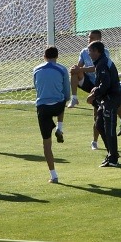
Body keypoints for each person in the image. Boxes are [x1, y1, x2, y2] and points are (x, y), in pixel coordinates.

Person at [33, 46, 70, 184]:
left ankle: (53, 175)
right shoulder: (62, 69)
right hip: (57, 105)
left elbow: (36, 88)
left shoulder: (36, 69)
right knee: (62, 99)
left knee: (46, 144)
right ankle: (60, 127)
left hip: (42, 107)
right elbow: (66, 93)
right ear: (57, 56)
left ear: (44, 56)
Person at [68, 30, 110, 150]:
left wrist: (82, 69)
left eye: (92, 38)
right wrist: (76, 68)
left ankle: (96, 141)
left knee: (98, 115)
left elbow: (96, 68)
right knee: (74, 71)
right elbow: (80, 67)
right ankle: (74, 98)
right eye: (89, 37)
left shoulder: (104, 53)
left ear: (99, 40)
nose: (89, 40)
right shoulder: (84, 51)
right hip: (89, 84)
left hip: (101, 86)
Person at [86, 41, 121, 167]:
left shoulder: (102, 64)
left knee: (109, 129)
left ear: (97, 51)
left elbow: (105, 84)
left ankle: (113, 159)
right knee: (99, 125)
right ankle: (112, 154)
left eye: (90, 51)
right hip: (105, 100)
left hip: (110, 99)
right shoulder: (102, 62)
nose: (89, 54)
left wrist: (94, 94)